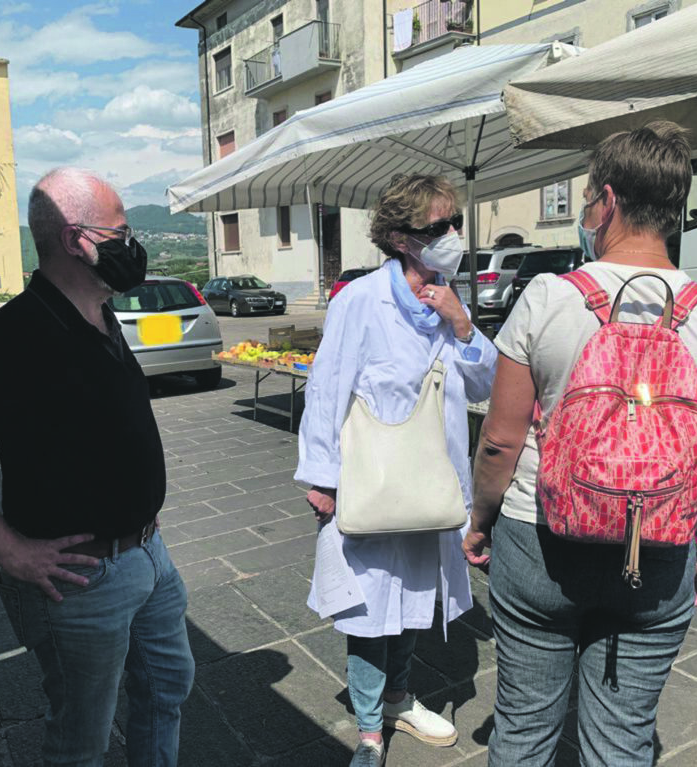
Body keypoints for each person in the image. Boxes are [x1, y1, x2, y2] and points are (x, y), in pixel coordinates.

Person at [463, 122, 697, 766]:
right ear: (674, 209)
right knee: (623, 738)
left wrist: (480, 522)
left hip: (538, 539)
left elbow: (499, 442)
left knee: (522, 729)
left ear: (606, 200)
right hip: (658, 551)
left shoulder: (546, 298)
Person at [0, 167, 194, 766]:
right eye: (121, 231)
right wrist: (11, 552)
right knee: (81, 740)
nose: (132, 244)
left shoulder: (101, 312)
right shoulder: (13, 335)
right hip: (81, 581)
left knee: (166, 689)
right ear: (74, 239)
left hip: (148, 556)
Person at [296, 174, 497, 767]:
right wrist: (322, 479)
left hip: (431, 483)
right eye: (438, 227)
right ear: (401, 238)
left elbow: (487, 384)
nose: (452, 236)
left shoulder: (449, 298)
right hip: (371, 482)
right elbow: (326, 390)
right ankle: (368, 728)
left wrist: (462, 324)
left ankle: (399, 698)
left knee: (413, 597)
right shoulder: (360, 302)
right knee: (367, 605)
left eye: (454, 223)